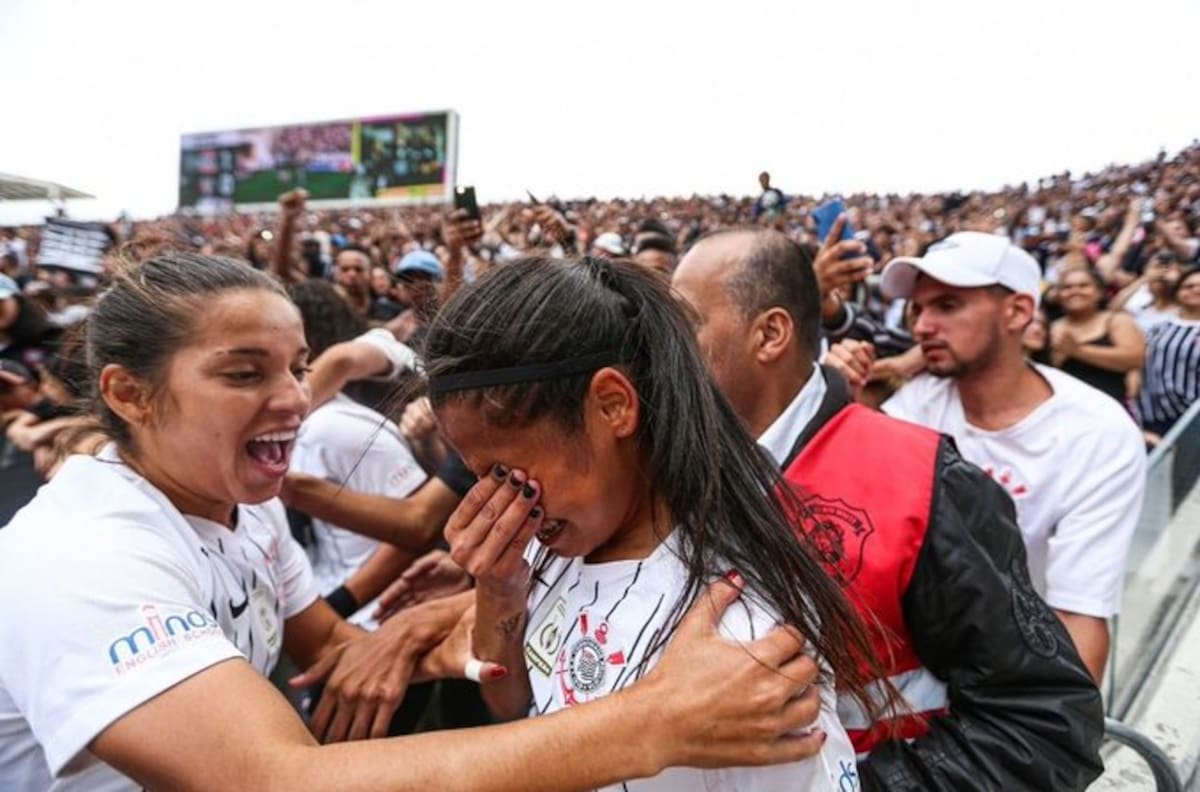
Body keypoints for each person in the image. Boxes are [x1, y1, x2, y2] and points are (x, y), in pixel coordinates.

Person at [0, 252, 828, 792]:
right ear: (128, 395)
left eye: (298, 366)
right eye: (244, 372)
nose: (294, 398)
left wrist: (476, 609)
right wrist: (651, 721)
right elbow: (265, 779)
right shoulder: (79, 556)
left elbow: (333, 651)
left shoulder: (238, 512)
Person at [425, 254, 884, 792]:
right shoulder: (554, 543)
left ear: (613, 405)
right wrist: (498, 590)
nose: (492, 501)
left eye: (504, 471)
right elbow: (515, 704)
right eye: (479, 477)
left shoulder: (740, 637)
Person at [673, 228, 1104, 791]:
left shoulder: (924, 481)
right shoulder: (663, 471)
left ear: (771, 334)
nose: (663, 347)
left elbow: (1046, 724)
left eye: (685, 324)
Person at [830, 231, 1146, 682]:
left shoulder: (1097, 433)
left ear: (1018, 311)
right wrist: (847, 400)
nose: (921, 327)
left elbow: (1080, 613)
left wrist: (1060, 736)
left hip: (1013, 671)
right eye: (918, 308)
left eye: (948, 306)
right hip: (911, 661)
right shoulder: (919, 402)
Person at [1049, 267, 1144, 405]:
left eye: (1084, 286)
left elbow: (1135, 358)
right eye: (1067, 287)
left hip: (1111, 407)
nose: (1074, 292)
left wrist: (1077, 350)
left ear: (1099, 292)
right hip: (1065, 408)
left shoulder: (1116, 320)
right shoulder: (1052, 327)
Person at [1138, 266, 1200, 442]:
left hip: (1192, 420)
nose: (1196, 290)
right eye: (1189, 286)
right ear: (1177, 292)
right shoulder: (1158, 327)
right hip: (1152, 415)